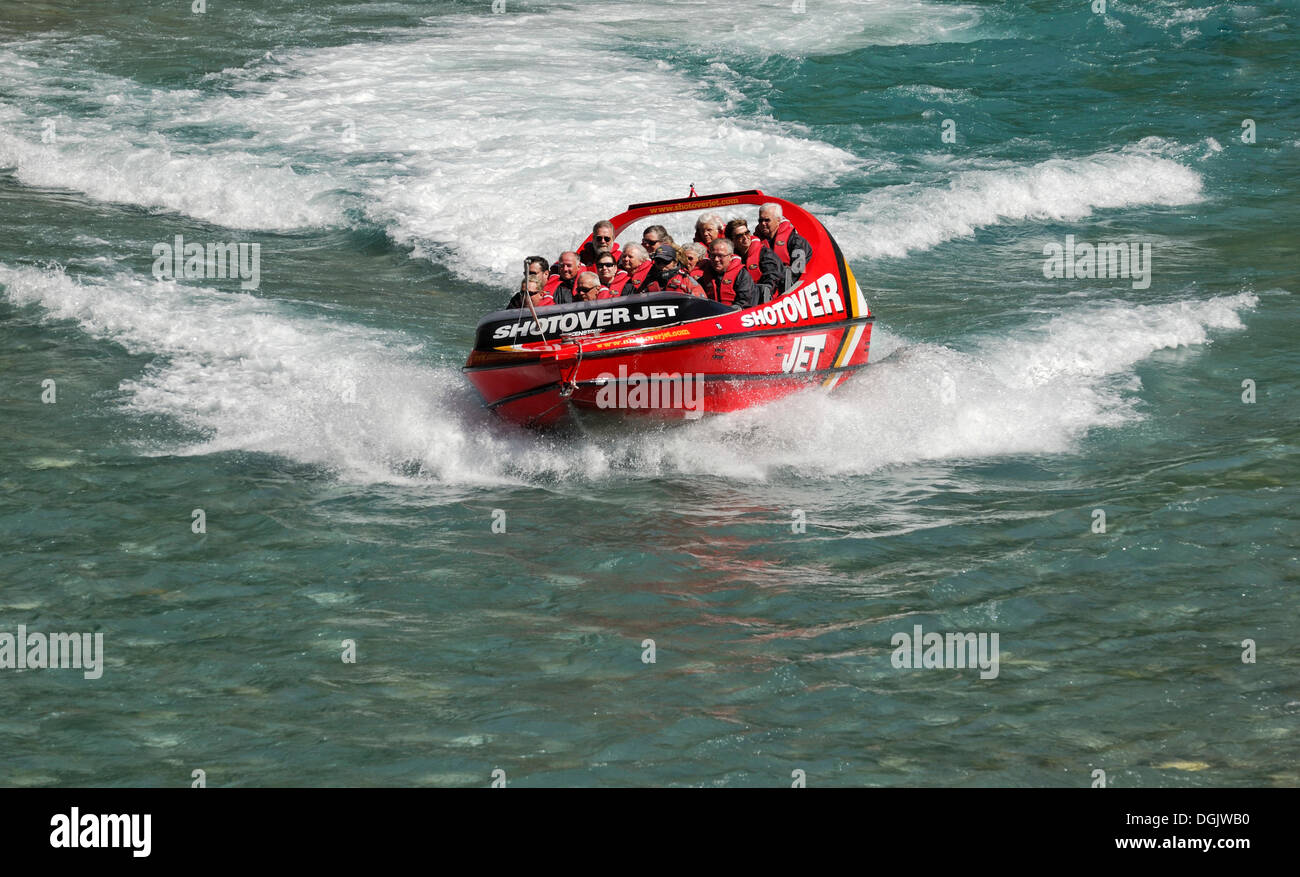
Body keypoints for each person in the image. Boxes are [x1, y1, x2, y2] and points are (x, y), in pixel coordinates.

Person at [754, 202, 812, 287]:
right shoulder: (754, 242)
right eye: (760, 220)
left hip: (788, 288)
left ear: (778, 220)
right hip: (762, 286)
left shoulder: (796, 241)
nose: (763, 223)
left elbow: (798, 270)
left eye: (767, 220)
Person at [726, 217, 782, 303]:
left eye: (747, 233)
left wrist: (764, 291)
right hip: (739, 302)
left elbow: (772, 276)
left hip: (765, 300)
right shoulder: (727, 259)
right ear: (731, 241)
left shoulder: (765, 253)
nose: (745, 237)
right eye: (739, 236)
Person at [701, 238, 755, 308]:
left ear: (730, 257)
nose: (716, 259)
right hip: (712, 314)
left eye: (720, 256)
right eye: (713, 256)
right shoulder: (706, 273)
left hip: (734, 314)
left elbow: (745, 302)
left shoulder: (742, 274)